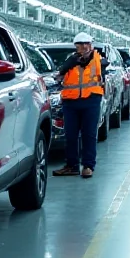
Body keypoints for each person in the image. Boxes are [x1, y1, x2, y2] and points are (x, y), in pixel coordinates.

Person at [53, 32, 105, 179]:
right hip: (71, 102)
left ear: (91, 45)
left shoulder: (98, 59)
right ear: (76, 46)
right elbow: (58, 77)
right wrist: (65, 67)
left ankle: (88, 166)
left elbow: (102, 73)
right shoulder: (70, 60)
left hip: (91, 100)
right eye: (80, 44)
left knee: (89, 135)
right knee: (71, 136)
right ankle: (72, 166)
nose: (83, 47)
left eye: (86, 44)